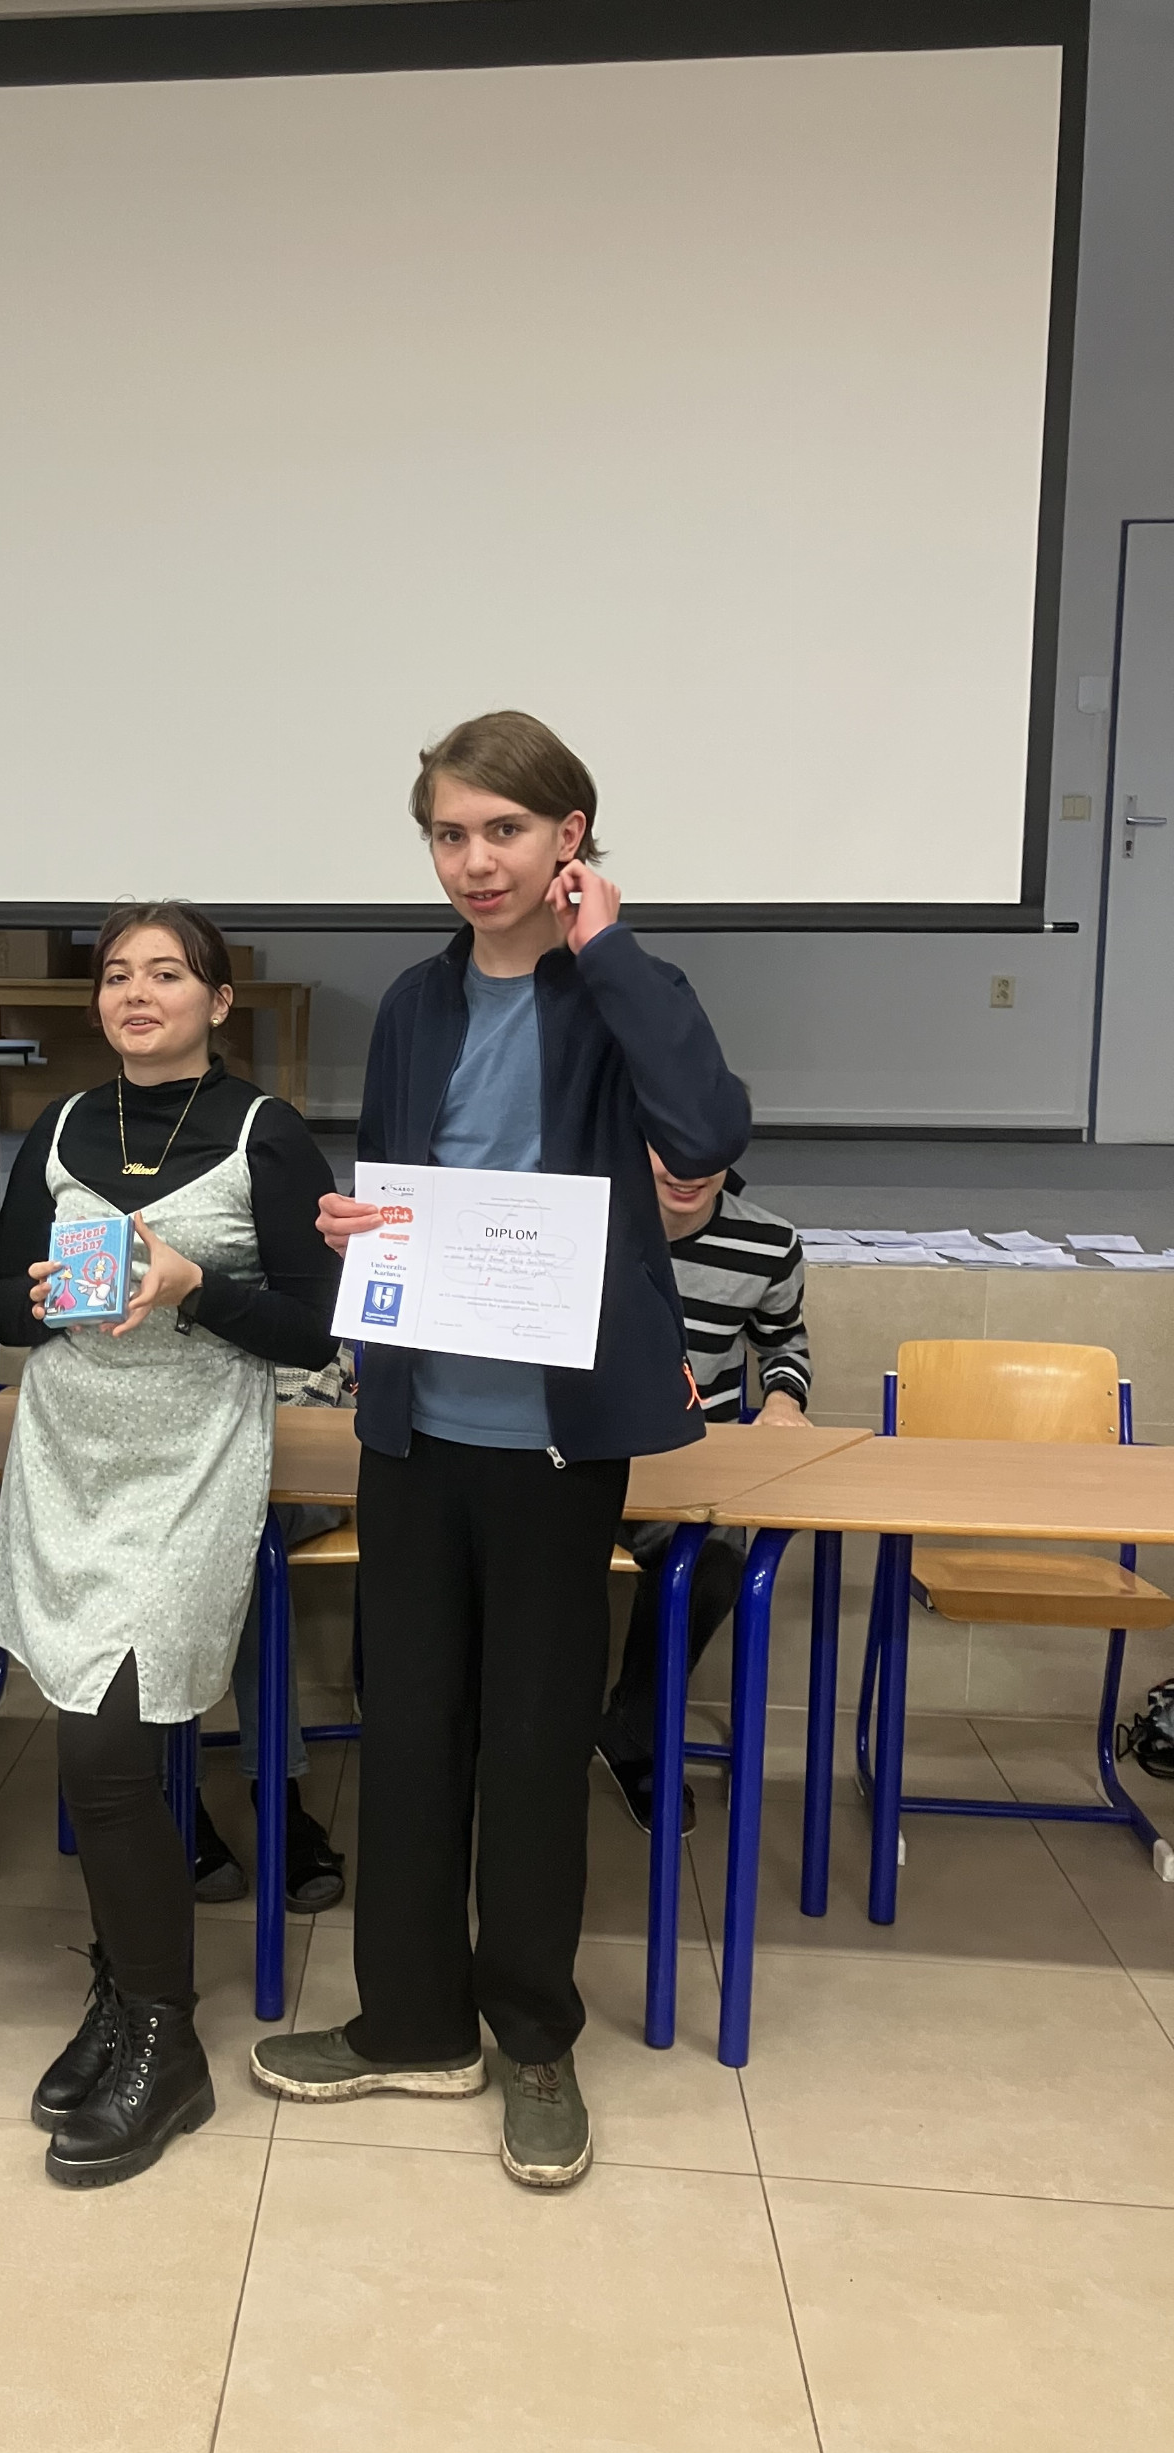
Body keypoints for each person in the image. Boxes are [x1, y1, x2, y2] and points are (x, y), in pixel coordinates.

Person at [250, 710, 749, 2191]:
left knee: (532, 1745)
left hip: (555, 1440)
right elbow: (411, 1183)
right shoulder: (417, 1000)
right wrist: (356, 1225)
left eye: (505, 831)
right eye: (450, 835)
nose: (474, 861)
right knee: (410, 1731)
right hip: (415, 1424)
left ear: (568, 840)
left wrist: (613, 949)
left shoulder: (622, 990)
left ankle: (532, 2036)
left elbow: (706, 1129)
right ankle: (412, 2022)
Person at [0, 902, 339, 2188]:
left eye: (168, 973)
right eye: (118, 976)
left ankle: (166, 2039)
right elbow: (1, 1300)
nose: (137, 993)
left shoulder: (264, 1133)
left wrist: (195, 1289)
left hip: (192, 1461)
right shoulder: (63, 1126)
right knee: (93, 1748)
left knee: (105, 1751)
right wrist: (35, 1297)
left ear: (218, 1001)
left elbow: (315, 1326)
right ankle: (124, 1992)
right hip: (68, 1450)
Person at [597, 1151, 812, 1834]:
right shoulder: (582, 1218)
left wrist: (782, 1400)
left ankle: (633, 1733)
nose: (687, 1171)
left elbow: (785, 1343)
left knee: (716, 1561)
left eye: (707, 1151)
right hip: (571, 1455)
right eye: (668, 1149)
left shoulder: (768, 1243)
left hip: (684, 1464)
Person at [194, 1347, 352, 1912]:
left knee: (246, 1534)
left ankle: (266, 1791)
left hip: (296, 1457)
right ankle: (246, 1795)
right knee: (180, 1538)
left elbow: (319, 1368)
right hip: (186, 1468)